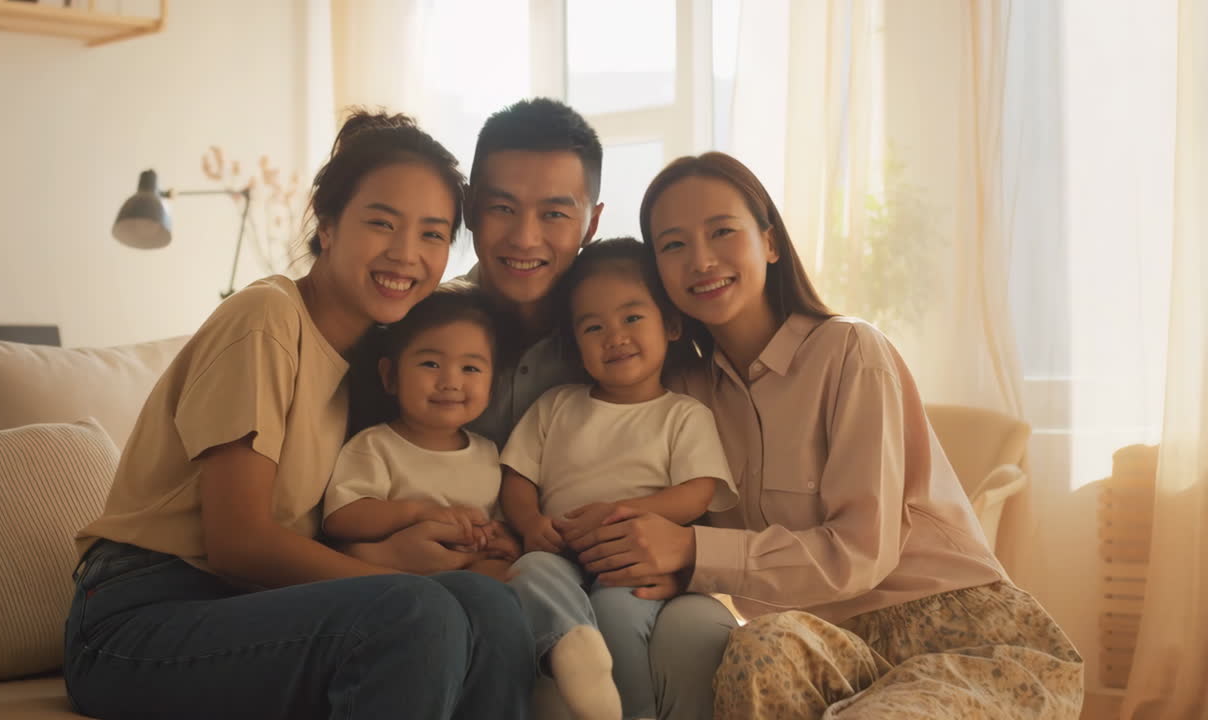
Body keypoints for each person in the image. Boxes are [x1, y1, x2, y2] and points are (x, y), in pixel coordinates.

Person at [569, 151, 1084, 719]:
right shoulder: (680, 396)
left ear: (769, 243)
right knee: (753, 650)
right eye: (673, 245)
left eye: (722, 231)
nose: (701, 259)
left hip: (957, 636)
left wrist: (692, 550)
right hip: (818, 643)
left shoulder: (851, 352)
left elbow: (861, 552)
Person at [64, 110, 535, 720]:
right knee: (417, 610)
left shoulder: (379, 358)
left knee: (489, 603)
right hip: (141, 618)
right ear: (328, 222)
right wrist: (393, 569)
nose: (406, 254)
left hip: (257, 607)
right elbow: (239, 544)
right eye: (381, 223)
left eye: (433, 234)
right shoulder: (267, 320)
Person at [500, 238, 737, 720]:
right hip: (559, 550)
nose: (615, 336)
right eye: (593, 327)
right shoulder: (556, 405)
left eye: (632, 318)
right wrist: (529, 523)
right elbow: (517, 475)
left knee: (616, 612)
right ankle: (573, 648)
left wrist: (627, 514)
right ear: (575, 343)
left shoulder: (681, 415)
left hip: (633, 556)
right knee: (529, 574)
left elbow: (699, 492)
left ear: (670, 325)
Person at [321, 285, 520, 578]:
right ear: (390, 376)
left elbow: (496, 522)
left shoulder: (489, 453)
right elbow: (342, 517)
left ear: (493, 385)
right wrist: (417, 513)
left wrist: (502, 539)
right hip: (399, 578)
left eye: (471, 368)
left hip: (467, 572)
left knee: (509, 576)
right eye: (431, 364)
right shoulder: (375, 445)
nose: (450, 381)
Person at [459, 98, 603, 448]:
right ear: (469, 209)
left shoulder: (622, 336)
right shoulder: (417, 328)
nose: (524, 239)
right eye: (503, 208)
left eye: (554, 214)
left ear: (591, 225)